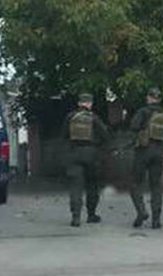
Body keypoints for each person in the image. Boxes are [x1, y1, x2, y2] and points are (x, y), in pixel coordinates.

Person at [62, 93, 111, 227]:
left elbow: (64, 135)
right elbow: (105, 136)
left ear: (79, 103)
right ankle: (91, 215)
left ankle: (76, 217)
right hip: (91, 154)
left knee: (75, 187)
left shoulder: (70, 117)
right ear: (90, 104)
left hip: (74, 153)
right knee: (92, 185)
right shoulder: (94, 118)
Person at [128, 87, 163, 229]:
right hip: (158, 152)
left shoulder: (143, 111)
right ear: (159, 99)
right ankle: (156, 220)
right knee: (156, 186)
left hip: (143, 151)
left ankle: (141, 212)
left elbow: (133, 126)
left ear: (148, 98)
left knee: (136, 183)